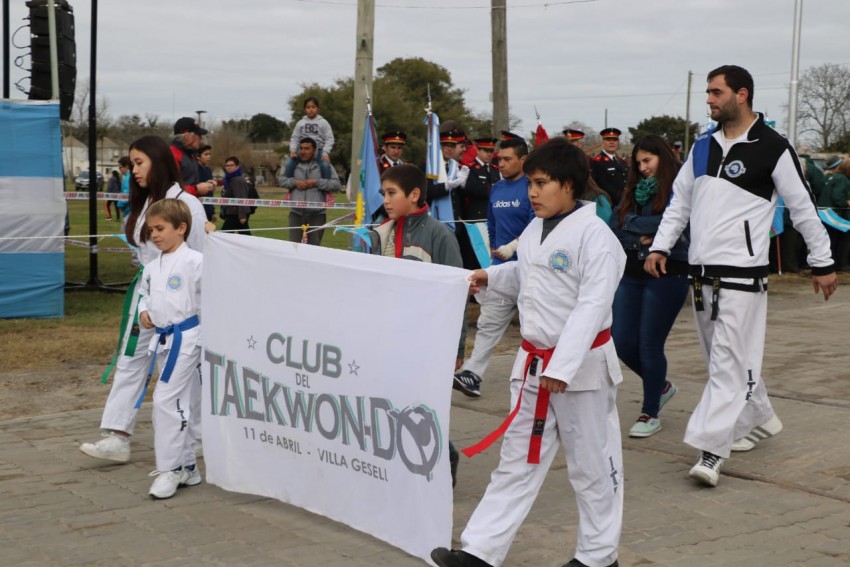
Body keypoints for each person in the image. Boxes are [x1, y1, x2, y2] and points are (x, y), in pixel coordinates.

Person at [432, 138, 625, 567]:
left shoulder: (598, 238)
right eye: (530, 184)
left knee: (592, 467)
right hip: (535, 366)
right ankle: (480, 551)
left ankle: (598, 556)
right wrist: (490, 277)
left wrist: (564, 365)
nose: (531, 193)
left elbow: (591, 307)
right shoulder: (538, 228)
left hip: (581, 371)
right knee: (516, 462)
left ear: (570, 185)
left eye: (541, 183)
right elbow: (527, 272)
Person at [644, 65, 838, 487]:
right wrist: (660, 246)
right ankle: (759, 416)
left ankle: (712, 449)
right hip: (700, 275)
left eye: (716, 92)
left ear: (742, 94)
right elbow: (679, 204)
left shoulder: (774, 148)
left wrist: (822, 263)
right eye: (709, 93)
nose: (709, 100)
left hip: (744, 276)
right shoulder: (700, 147)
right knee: (724, 362)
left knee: (728, 365)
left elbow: (803, 208)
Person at [80, 135, 213, 465]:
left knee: (184, 368)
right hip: (147, 298)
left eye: (139, 163)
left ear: (158, 161)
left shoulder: (187, 204)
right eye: (132, 163)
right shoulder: (142, 204)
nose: (133, 170)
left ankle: (193, 436)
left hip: (183, 305)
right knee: (132, 358)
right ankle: (117, 435)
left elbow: (200, 259)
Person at [366, 163, 466, 486]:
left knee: (424, 404)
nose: (386, 200)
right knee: (393, 398)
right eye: (383, 194)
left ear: (414, 194)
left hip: (428, 339)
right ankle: (403, 461)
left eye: (392, 193)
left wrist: (457, 346)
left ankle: (444, 457)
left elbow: (458, 292)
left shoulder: (439, 235)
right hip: (391, 334)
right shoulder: (382, 232)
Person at [609, 135, 689, 438]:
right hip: (631, 272)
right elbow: (616, 226)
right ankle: (662, 386)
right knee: (620, 340)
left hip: (669, 272)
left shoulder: (680, 187)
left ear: (663, 158)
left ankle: (650, 411)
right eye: (638, 162)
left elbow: (678, 224)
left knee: (649, 343)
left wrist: (634, 227)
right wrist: (643, 232)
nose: (642, 168)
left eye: (648, 160)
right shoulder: (632, 189)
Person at [453, 137, 534, 398]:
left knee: (534, 327)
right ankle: (472, 375)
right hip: (500, 270)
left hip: (529, 270)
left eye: (508, 159)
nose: (501, 163)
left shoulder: (533, 188)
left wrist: (514, 247)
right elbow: (491, 223)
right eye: (499, 159)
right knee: (488, 324)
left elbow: (537, 227)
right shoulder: (497, 189)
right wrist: (495, 254)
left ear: (523, 160)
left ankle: (543, 376)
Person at [137, 198, 204, 499]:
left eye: (161, 228)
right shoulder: (152, 267)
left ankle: (170, 468)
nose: (155, 235)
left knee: (165, 399)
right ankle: (188, 465)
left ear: (181, 228)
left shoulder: (195, 262)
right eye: (151, 230)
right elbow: (144, 295)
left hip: (188, 339)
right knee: (182, 401)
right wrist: (144, 312)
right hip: (163, 340)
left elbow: (210, 299)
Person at [279, 137, 341, 246]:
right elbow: (281, 181)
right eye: (301, 148)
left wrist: (317, 182)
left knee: (314, 248)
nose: (303, 151)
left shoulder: (324, 165)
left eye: (307, 148)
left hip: (317, 215)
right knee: (294, 247)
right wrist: (294, 182)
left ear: (315, 150)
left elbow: (336, 184)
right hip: (296, 214)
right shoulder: (292, 165)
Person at [455, 136, 501, 270]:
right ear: (478, 150)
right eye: (485, 150)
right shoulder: (470, 169)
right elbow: (472, 190)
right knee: (474, 257)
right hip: (475, 219)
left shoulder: (494, 169)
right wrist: (491, 189)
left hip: (491, 219)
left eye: (491, 151)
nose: (489, 154)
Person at [286, 96, 335, 176]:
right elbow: (295, 138)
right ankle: (290, 185)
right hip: (302, 150)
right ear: (305, 110)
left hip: (318, 150)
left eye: (313, 107)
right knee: (288, 164)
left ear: (318, 109)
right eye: (308, 107)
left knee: (325, 165)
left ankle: (326, 186)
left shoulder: (323, 122)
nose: (311, 109)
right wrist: (293, 150)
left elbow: (329, 139)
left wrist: (325, 153)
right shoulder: (300, 123)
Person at [817, 155, 850, 271]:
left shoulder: (831, 177)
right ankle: (840, 264)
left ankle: (832, 264)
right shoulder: (842, 179)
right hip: (833, 214)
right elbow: (837, 196)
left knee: (831, 240)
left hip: (825, 213)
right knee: (841, 239)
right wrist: (846, 203)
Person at [170, 117, 216, 200]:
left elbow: (188, 182)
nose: (201, 138)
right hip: (176, 209)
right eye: (199, 135)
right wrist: (196, 189)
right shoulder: (172, 155)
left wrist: (204, 186)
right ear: (188, 136)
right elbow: (168, 189)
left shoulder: (189, 155)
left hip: (187, 207)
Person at [591, 127, 628, 207]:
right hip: (609, 204)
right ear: (603, 142)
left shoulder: (621, 161)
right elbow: (601, 185)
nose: (612, 143)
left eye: (614, 140)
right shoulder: (597, 162)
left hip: (624, 203)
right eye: (608, 140)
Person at [220, 156, 252, 236]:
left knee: (224, 236)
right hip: (234, 212)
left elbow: (241, 197)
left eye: (231, 165)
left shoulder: (237, 180)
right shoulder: (230, 179)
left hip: (236, 214)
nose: (229, 167)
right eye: (227, 165)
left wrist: (242, 216)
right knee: (245, 235)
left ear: (237, 166)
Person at [196, 144, 216, 221]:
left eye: (209, 154)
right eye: (206, 154)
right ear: (198, 156)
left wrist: (212, 211)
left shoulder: (208, 170)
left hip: (208, 208)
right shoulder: (194, 170)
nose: (209, 157)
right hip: (197, 208)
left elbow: (210, 194)